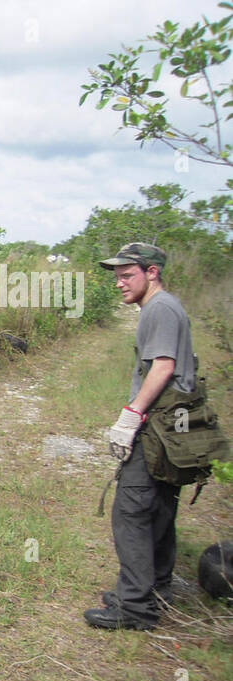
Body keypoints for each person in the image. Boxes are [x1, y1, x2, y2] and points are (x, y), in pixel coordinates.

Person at [84, 242, 196, 631]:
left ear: (152, 272)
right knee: (161, 505)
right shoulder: (164, 306)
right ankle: (155, 590)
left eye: (127, 275)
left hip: (159, 426)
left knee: (132, 510)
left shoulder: (160, 309)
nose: (119, 283)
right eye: (116, 276)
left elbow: (163, 367)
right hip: (173, 426)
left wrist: (132, 416)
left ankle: (134, 607)